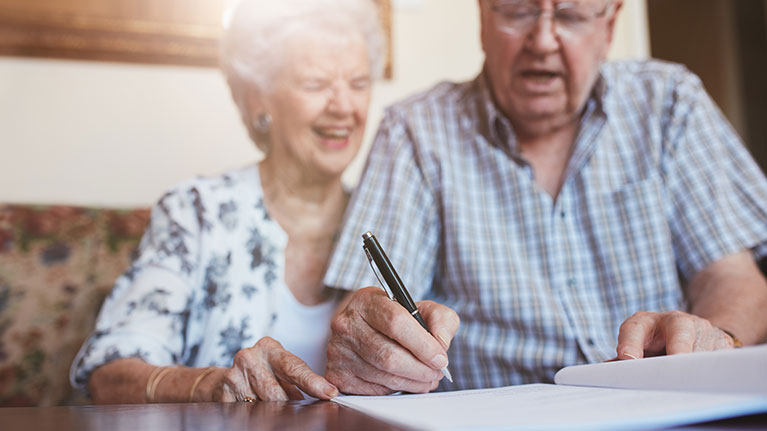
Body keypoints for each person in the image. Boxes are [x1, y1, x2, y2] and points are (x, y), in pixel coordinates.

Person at [322, 0, 767, 395]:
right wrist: (370, 341)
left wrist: (716, 338)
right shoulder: (414, 131)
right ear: (483, 16)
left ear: (609, 24)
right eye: (518, 11)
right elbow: (370, 306)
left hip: (664, 409)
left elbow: (734, 279)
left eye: (570, 14)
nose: (543, 40)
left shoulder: (669, 102)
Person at [70, 0, 385, 403]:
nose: (344, 107)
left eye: (359, 84)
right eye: (316, 83)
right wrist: (206, 386)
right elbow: (109, 375)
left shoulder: (390, 217)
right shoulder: (197, 211)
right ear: (259, 100)